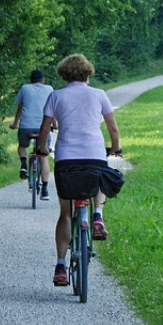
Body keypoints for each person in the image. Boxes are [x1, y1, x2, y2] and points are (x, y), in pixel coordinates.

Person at [36, 54, 121, 287]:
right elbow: (113, 128)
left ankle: (61, 265)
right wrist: (115, 148)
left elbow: (45, 130)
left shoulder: (56, 96)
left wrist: (43, 149)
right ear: (88, 73)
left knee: (65, 212)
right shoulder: (99, 95)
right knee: (100, 178)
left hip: (66, 159)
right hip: (94, 154)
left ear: (63, 74)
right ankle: (97, 217)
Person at [9, 69, 54, 200]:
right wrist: (55, 124)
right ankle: (45, 190)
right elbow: (52, 109)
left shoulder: (24, 88)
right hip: (43, 127)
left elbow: (20, 107)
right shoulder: (49, 89)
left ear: (31, 80)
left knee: (22, 146)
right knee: (43, 155)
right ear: (43, 80)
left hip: (26, 127)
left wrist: (15, 123)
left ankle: (23, 165)